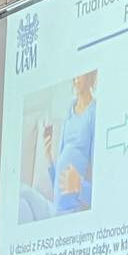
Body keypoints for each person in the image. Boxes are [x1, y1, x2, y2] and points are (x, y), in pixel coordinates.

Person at [43, 71, 97, 214]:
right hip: (56, 208)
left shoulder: (94, 113)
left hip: (72, 211)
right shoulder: (69, 110)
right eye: (74, 75)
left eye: (80, 74)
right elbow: (58, 183)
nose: (75, 78)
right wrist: (49, 159)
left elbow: (100, 194)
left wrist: (79, 185)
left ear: (90, 75)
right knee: (24, 195)